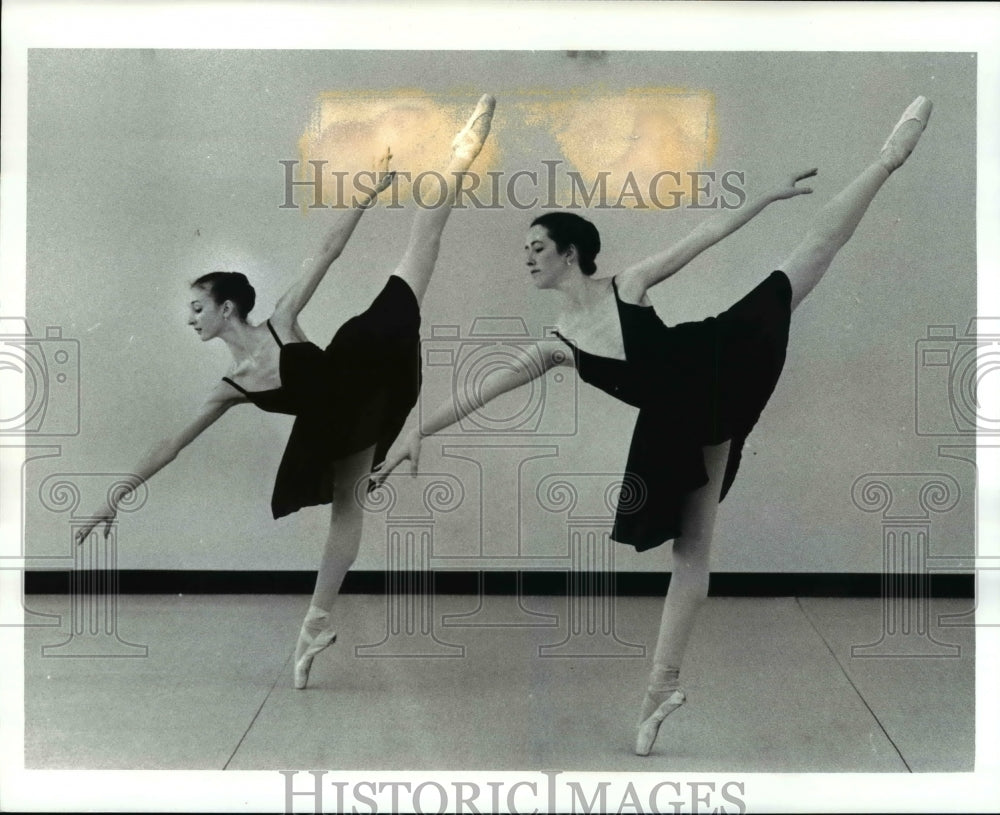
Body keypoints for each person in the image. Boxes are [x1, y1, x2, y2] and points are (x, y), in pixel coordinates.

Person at [376, 96, 933, 755]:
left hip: (718, 360)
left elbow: (706, 235)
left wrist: (766, 198)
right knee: (691, 553)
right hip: (674, 426)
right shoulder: (555, 343)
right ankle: (660, 689)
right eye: (525, 249)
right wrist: (416, 432)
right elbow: (480, 392)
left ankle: (886, 159)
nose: (526, 258)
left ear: (571, 253)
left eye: (536, 247)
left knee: (812, 251)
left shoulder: (629, 283)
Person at [75, 94, 497, 690]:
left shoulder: (280, 319)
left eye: (197, 308)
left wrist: (367, 194)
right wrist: (115, 494)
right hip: (343, 423)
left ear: (226, 309)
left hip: (366, 356)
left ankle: (461, 155)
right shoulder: (232, 385)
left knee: (420, 247)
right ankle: (315, 624)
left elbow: (326, 251)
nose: (191, 319)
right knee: (348, 516)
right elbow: (172, 443)